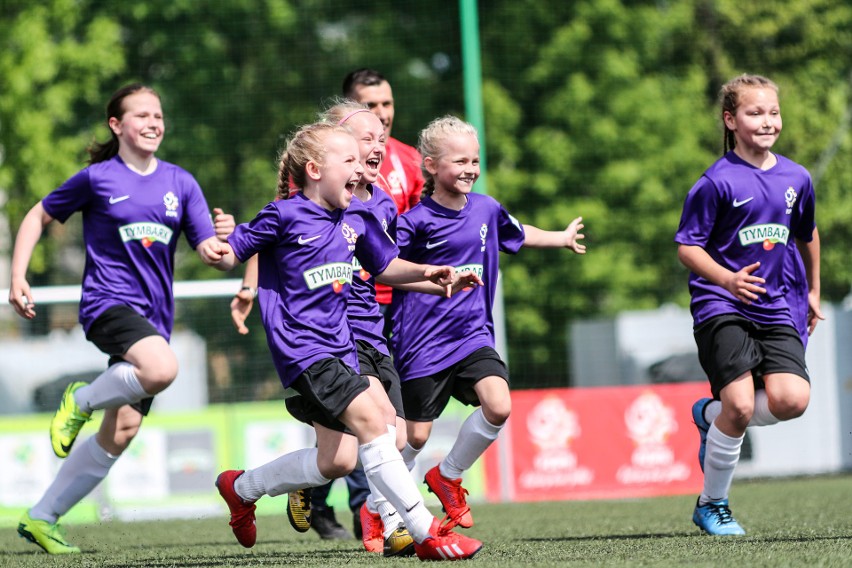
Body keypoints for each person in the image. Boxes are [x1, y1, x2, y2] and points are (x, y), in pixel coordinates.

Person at [214, 121, 483, 561]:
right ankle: (424, 531)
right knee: (378, 426)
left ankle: (242, 488)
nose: (362, 168)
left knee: (336, 461)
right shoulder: (282, 215)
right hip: (304, 350)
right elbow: (232, 254)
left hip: (341, 349)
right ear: (316, 169)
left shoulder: (355, 217)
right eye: (351, 160)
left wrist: (436, 276)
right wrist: (217, 245)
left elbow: (386, 267)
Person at [8, 83, 235, 555]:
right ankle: (82, 400)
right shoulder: (97, 179)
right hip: (107, 304)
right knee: (162, 369)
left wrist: (225, 243)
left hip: (154, 318)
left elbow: (213, 254)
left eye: (159, 115)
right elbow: (36, 216)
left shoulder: (181, 182)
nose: (154, 123)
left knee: (123, 431)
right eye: (142, 115)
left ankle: (42, 518)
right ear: (117, 125)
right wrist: (18, 276)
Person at [390, 116, 586, 530]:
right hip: (422, 342)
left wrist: (560, 237)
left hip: (471, 334)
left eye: (475, 160)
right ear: (430, 165)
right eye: (460, 160)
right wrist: (429, 276)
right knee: (415, 438)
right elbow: (387, 267)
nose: (471, 169)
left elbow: (517, 233)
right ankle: (382, 509)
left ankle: (448, 476)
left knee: (498, 404)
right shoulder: (414, 221)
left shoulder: (486, 207)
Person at [675, 74, 822, 536]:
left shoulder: (797, 176)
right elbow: (687, 247)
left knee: (792, 399)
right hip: (722, 302)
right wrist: (728, 280)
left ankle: (708, 417)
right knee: (738, 405)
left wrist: (814, 290)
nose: (767, 121)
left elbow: (807, 234)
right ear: (730, 119)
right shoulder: (715, 182)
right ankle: (712, 504)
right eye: (754, 112)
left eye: (773, 112)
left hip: (778, 305)